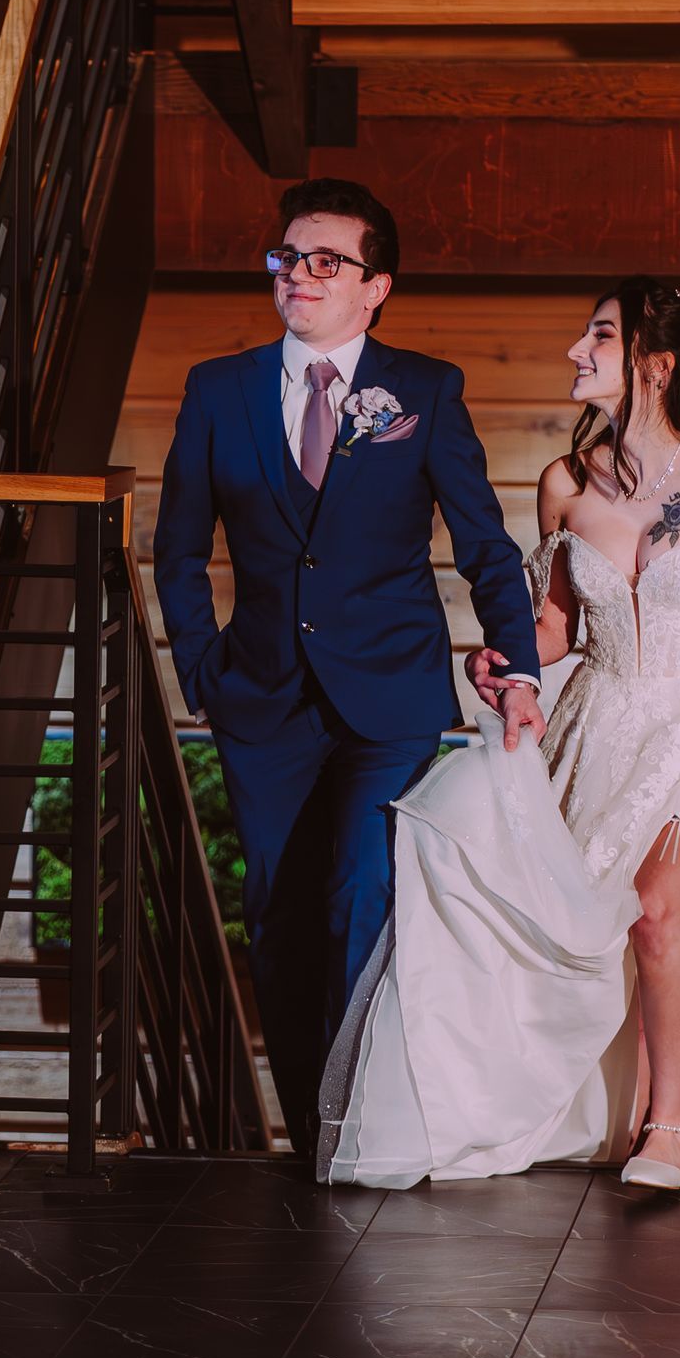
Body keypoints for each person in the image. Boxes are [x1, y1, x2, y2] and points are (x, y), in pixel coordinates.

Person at [318, 279, 680, 1191]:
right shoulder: (565, 482)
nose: (574, 351)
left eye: (597, 335)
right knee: (602, 926)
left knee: (659, 905)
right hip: (601, 729)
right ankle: (630, 1109)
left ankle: (669, 1131)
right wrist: (504, 664)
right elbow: (553, 628)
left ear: (656, 365)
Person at [152, 177, 544, 1159]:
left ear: (376, 287)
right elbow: (178, 546)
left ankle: (363, 1121)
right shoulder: (219, 389)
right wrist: (203, 667)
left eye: (328, 261)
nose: (301, 275)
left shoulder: (426, 390)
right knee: (280, 918)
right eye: (289, 257)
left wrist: (523, 666)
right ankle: (312, 1132)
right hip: (263, 700)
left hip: (393, 695)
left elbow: (485, 545)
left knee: (360, 895)